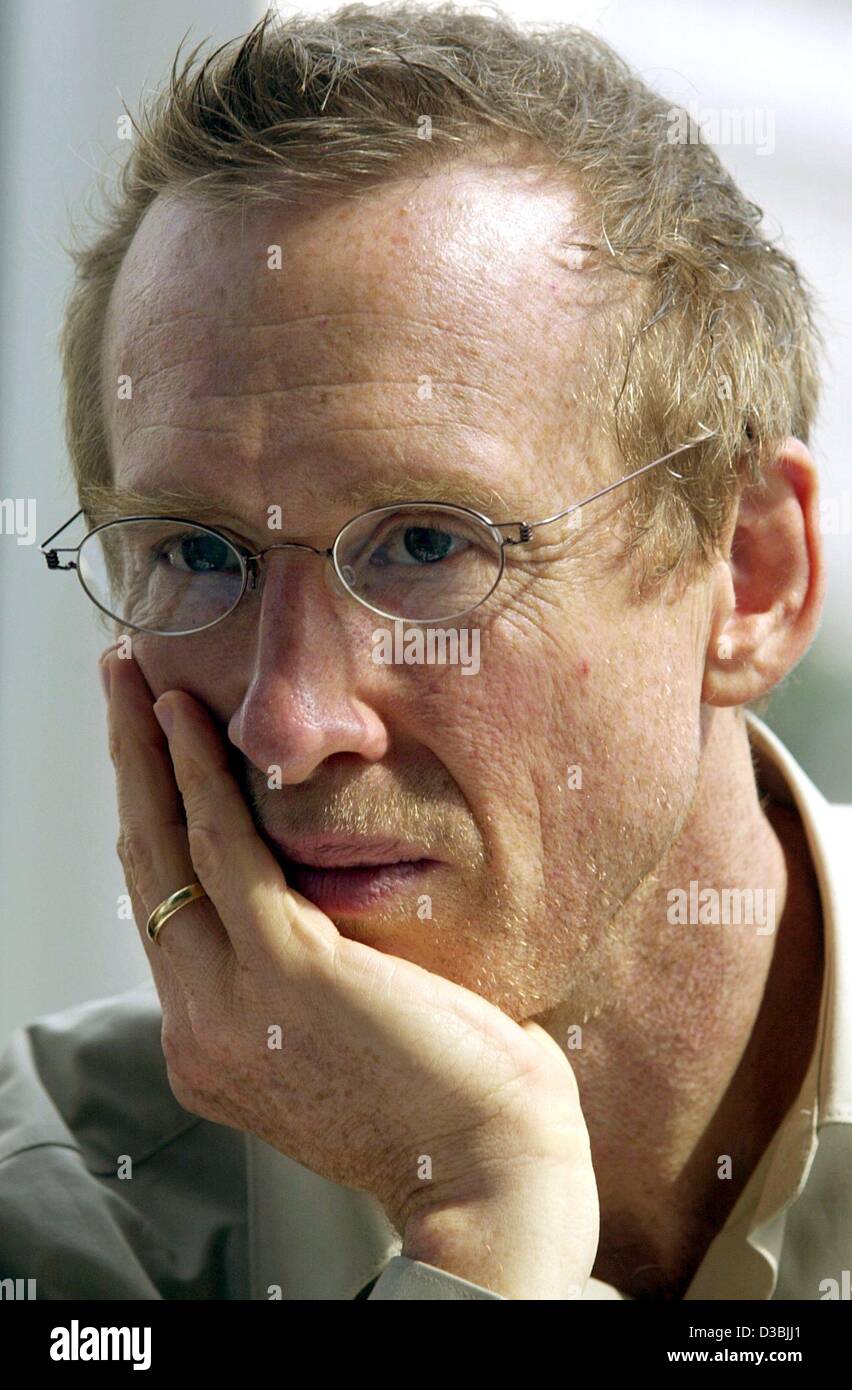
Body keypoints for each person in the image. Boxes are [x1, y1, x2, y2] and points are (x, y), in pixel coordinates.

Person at [2, 3, 850, 1301]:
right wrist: (476, 1213)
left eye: (422, 545)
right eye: (199, 554)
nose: (286, 722)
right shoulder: (64, 1199)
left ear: (749, 576)